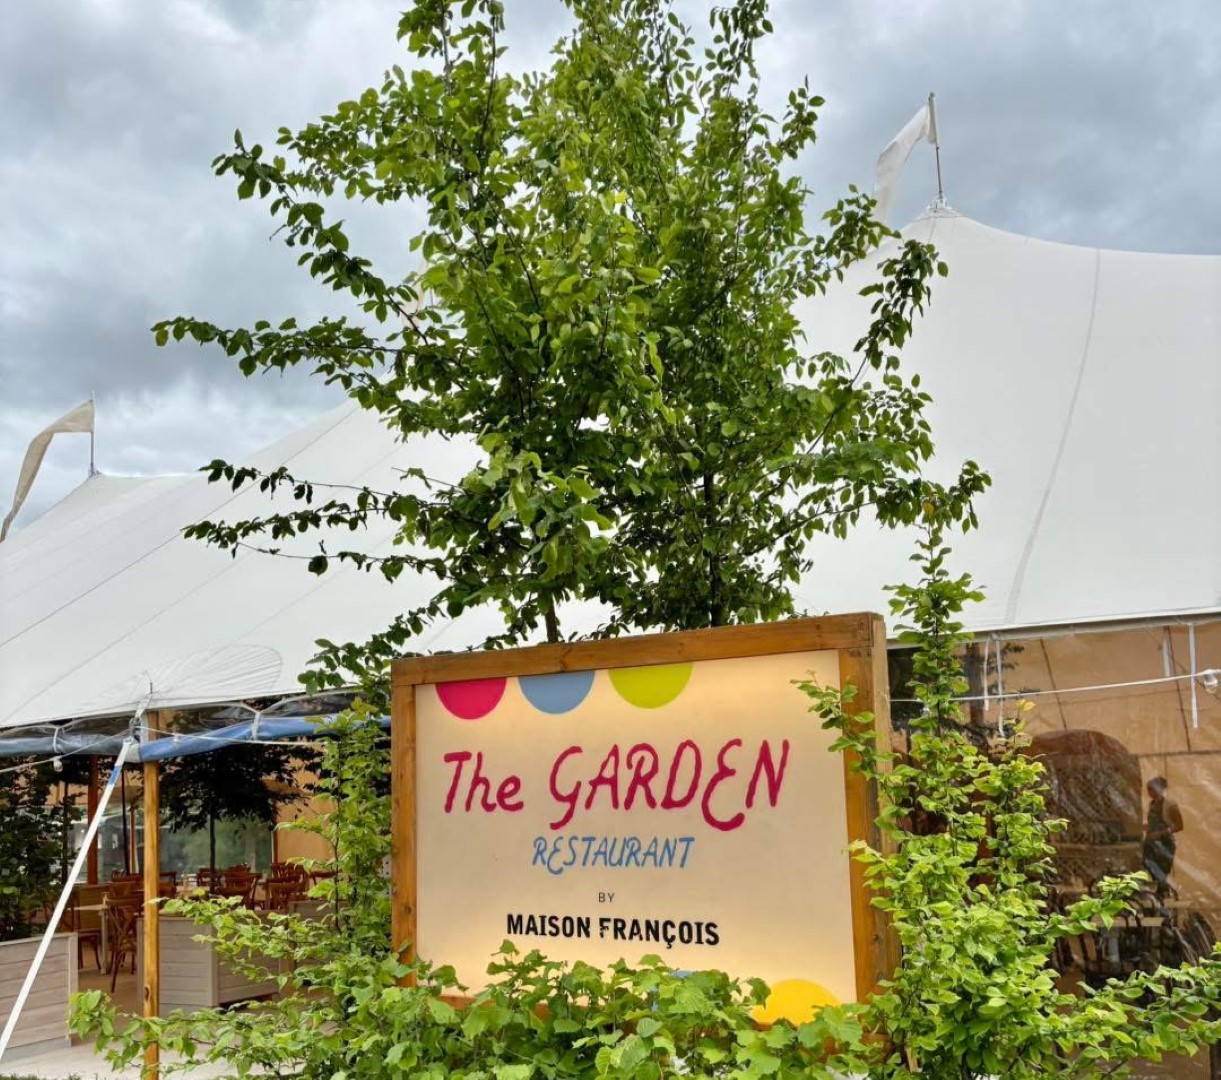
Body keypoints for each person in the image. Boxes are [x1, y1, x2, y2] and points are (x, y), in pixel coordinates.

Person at [1141, 776, 1184, 898]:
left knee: (1162, 871)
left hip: (1164, 843)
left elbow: (1179, 825)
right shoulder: (1152, 804)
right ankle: (1160, 894)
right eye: (1148, 789)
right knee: (1148, 865)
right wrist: (1146, 827)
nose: (1149, 792)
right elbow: (1153, 822)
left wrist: (1162, 833)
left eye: (1151, 789)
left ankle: (1164, 896)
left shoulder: (1170, 805)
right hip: (1151, 842)